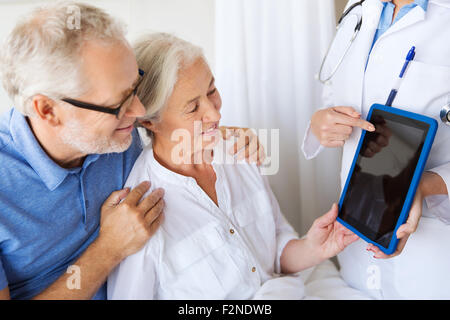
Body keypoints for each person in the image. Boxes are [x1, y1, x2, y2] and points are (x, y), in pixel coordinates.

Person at [0, 2, 262, 300]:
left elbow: (168, 125)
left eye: (135, 88)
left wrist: (224, 136)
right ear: (48, 110)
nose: (138, 112)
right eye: (120, 103)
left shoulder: (115, 136)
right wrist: (108, 249)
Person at [107, 33, 359, 300]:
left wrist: (313, 248)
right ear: (149, 122)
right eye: (193, 108)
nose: (215, 113)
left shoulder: (239, 152)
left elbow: (275, 250)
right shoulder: (140, 213)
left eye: (212, 91)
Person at [303, 0, 450, 299]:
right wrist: (321, 122)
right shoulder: (358, 9)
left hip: (433, 250)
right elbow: (332, 90)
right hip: (355, 230)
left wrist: (424, 185)